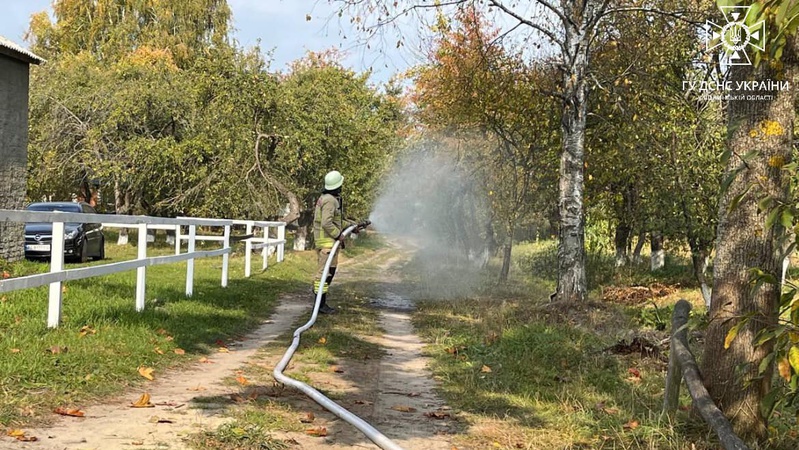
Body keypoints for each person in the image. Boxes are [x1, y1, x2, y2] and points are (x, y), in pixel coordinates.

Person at [312, 170, 356, 314]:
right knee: (324, 274)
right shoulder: (330, 200)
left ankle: (321, 304)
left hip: (328, 243)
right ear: (338, 186)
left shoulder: (327, 198)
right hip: (327, 244)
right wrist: (338, 235)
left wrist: (352, 225)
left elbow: (336, 221)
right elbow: (326, 223)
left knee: (329, 273)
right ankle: (319, 305)